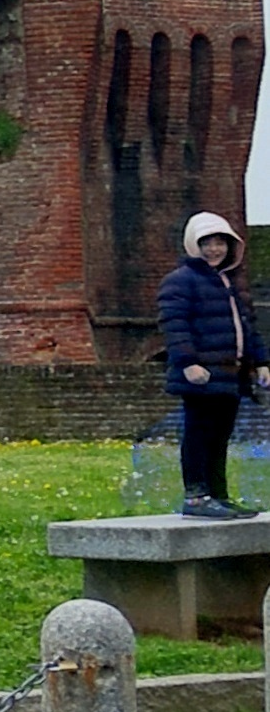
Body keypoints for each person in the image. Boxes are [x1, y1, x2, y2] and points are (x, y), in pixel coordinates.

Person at [156, 210, 265, 518]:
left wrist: (261, 361)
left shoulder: (232, 283)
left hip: (230, 375)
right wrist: (189, 363)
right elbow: (175, 326)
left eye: (220, 243)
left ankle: (218, 494)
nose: (214, 249)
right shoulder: (180, 282)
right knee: (198, 434)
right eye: (207, 243)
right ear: (194, 245)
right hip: (202, 375)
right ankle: (195, 497)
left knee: (220, 437)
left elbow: (248, 326)